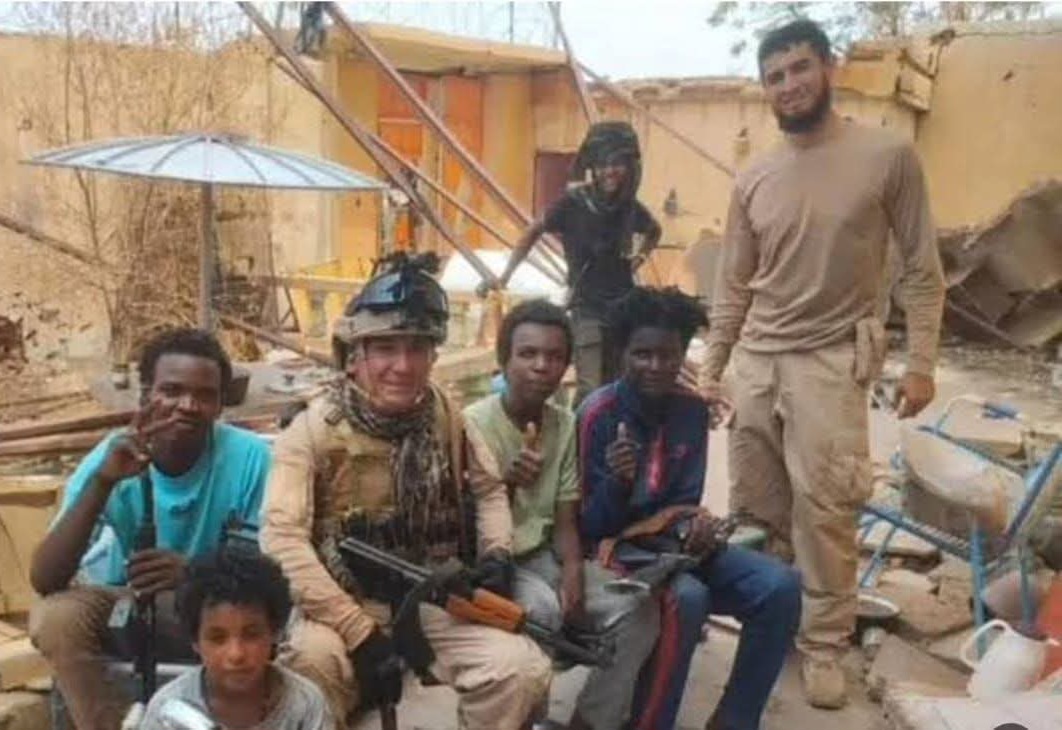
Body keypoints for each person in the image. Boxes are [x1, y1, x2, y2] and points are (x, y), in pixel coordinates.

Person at [701, 19, 946, 708]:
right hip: (757, 362)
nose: (789, 85)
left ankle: (825, 645)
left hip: (831, 362)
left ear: (828, 67)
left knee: (827, 512)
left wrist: (922, 362)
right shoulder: (755, 176)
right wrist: (714, 366)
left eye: (800, 68)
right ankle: (773, 626)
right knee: (756, 510)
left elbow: (922, 269)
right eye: (775, 76)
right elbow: (734, 284)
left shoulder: (887, 156)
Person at [262, 253, 551, 729]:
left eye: (417, 348)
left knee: (521, 670)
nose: (402, 365)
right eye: (385, 348)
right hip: (340, 602)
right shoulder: (312, 432)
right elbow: (282, 542)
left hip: (429, 594)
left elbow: (488, 490)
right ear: (355, 356)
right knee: (312, 668)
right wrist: (358, 631)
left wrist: (497, 552)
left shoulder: (444, 415)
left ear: (433, 356)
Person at [29, 328, 273, 730]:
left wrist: (195, 573)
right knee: (56, 618)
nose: (187, 406)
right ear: (146, 395)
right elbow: (45, 578)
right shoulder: (113, 455)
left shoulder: (251, 458)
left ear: (220, 405)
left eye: (205, 395)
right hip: (134, 604)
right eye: (171, 391)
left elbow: (271, 576)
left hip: (218, 608)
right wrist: (103, 483)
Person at [580, 287, 801, 730]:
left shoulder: (691, 410)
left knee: (781, 586)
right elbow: (591, 526)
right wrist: (618, 483)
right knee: (688, 598)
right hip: (614, 551)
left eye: (668, 354)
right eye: (642, 354)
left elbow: (685, 499)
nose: (656, 366)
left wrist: (693, 528)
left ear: (683, 354)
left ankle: (735, 720)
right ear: (623, 353)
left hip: (672, 545)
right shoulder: (598, 413)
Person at [463, 299, 659, 730]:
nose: (541, 366)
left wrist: (573, 573)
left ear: (567, 365)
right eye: (527, 354)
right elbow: (465, 524)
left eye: (554, 356)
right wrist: (507, 484)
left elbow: (566, 516)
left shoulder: (563, 423)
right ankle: (525, 721)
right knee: (540, 613)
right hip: (493, 564)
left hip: (545, 557)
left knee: (639, 609)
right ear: (504, 360)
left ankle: (589, 722)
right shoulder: (472, 424)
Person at [493, 121, 662, 404]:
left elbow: (654, 231)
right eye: (603, 164)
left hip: (622, 308)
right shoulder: (574, 202)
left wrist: (639, 258)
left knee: (617, 385)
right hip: (587, 307)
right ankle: (581, 432)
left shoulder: (629, 208)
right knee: (590, 388)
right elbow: (534, 231)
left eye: (617, 164)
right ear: (593, 167)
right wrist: (505, 276)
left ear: (629, 168)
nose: (610, 171)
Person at [140, 549, 333, 730]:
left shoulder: (304, 704)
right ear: (195, 641)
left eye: (251, 635)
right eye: (217, 638)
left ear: (274, 632)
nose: (236, 654)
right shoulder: (168, 710)